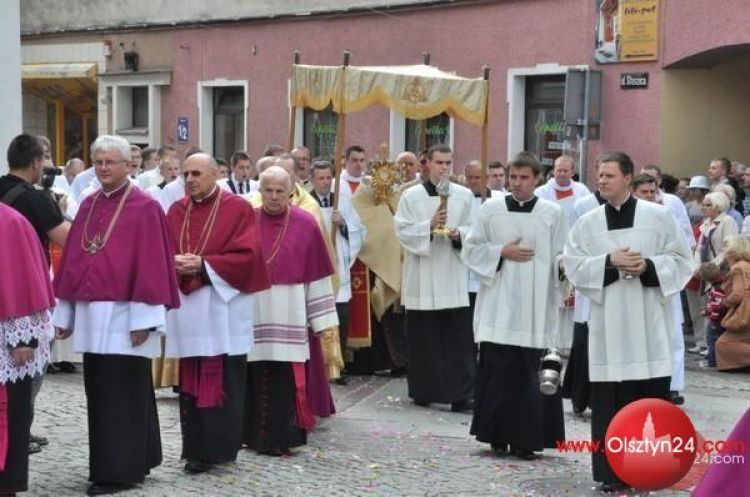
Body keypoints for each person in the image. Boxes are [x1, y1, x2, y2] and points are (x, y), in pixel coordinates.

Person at [52, 135, 180, 496]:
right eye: (99, 162)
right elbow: (75, 263)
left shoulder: (146, 207)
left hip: (127, 317)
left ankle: (118, 473)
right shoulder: (89, 204)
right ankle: (140, 457)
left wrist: (144, 319)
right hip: (94, 318)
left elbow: (153, 266)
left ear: (128, 165)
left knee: (124, 393)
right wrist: (66, 314)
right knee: (103, 392)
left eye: (111, 162)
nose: (104, 168)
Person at [564, 151, 694, 493]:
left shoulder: (659, 217)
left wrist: (648, 267)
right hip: (609, 328)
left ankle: (648, 469)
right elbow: (573, 265)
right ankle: (611, 472)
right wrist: (609, 261)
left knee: (647, 402)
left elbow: (684, 260)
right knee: (610, 402)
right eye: (599, 175)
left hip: (649, 324)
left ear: (628, 178)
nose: (602, 180)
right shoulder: (588, 222)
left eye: (608, 175)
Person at [165, 153, 269, 474]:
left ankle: (221, 449)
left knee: (223, 374)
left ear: (215, 174)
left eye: (197, 173)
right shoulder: (175, 210)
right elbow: (164, 250)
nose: (190, 179)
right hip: (190, 310)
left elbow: (249, 256)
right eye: (185, 174)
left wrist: (204, 265)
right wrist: (175, 263)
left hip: (223, 306)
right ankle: (195, 449)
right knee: (190, 378)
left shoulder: (237, 208)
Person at [462, 151, 567, 460]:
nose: (517, 183)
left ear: (537, 180)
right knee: (496, 371)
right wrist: (500, 251)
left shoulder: (551, 213)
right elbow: (472, 249)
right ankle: (494, 433)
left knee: (527, 373)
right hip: (499, 302)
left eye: (524, 178)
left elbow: (562, 251)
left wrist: (564, 267)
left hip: (534, 305)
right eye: (513, 177)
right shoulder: (491, 209)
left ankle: (526, 438)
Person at [244, 166, 338, 456]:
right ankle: (251, 436)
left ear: (291, 192)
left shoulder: (306, 223)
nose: (273, 197)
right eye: (268, 191)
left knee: (284, 379)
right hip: (254, 311)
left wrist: (321, 320)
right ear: (260, 192)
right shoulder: (247, 221)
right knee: (253, 375)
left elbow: (317, 275)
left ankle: (282, 438)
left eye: (279, 191)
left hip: (291, 311)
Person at [0, 134, 70, 454]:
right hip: (25, 291)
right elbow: (66, 238)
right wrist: (59, 211)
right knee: (27, 373)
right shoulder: (38, 198)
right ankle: (19, 432)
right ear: (35, 162)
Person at [395, 144, 477, 412]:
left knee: (457, 340)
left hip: (452, 275)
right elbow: (402, 231)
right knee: (424, 339)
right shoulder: (412, 196)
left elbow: (475, 232)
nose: (444, 168)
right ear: (426, 164)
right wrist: (427, 227)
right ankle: (424, 389)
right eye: (439, 162)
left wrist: (459, 235)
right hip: (422, 273)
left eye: (448, 163)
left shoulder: (464, 196)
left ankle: (461, 393)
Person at [0, 204, 56, 495]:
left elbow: (20, 277)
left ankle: (6, 484)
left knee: (9, 416)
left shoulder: (10, 222)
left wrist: (22, 338)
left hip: (7, 336)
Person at [309, 161, 365, 384]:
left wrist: (343, 225)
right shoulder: (305, 202)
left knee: (340, 317)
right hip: (317, 268)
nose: (324, 182)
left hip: (338, 266)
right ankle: (317, 367)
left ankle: (337, 367)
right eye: (320, 178)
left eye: (327, 177)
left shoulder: (341, 201)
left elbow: (359, 229)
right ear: (312, 180)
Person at [535, 155, 591, 351]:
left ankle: (567, 342)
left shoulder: (582, 191)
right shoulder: (542, 191)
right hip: (551, 248)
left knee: (571, 298)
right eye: (558, 170)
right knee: (553, 294)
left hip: (574, 247)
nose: (561, 173)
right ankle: (549, 341)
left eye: (565, 170)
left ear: (572, 171)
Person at [715, 236, 750, 371]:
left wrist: (724, 303)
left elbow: (738, 294)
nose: (725, 250)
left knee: (723, 344)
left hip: (744, 312)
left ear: (734, 250)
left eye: (727, 247)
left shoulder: (737, 268)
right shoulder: (747, 265)